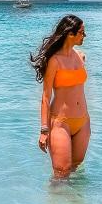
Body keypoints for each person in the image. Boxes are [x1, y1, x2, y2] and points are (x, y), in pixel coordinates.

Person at [30, 15, 90, 179]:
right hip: (60, 123)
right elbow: (46, 96)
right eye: (82, 32)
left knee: (75, 170)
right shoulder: (55, 61)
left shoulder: (81, 56)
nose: (84, 36)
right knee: (61, 174)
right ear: (70, 34)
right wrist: (44, 130)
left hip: (83, 122)